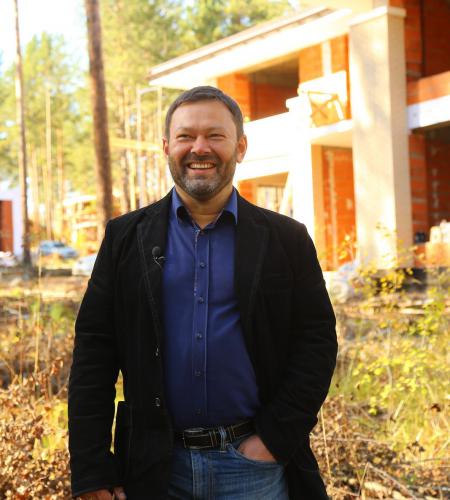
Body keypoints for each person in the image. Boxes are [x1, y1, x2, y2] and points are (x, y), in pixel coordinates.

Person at [68, 86, 337, 500]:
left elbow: (316, 342)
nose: (199, 148)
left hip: (254, 471)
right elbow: (94, 353)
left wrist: (273, 438)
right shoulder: (125, 238)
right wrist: (91, 469)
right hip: (154, 470)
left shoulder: (287, 239)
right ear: (166, 146)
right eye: (185, 136)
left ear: (240, 147)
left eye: (215, 135)